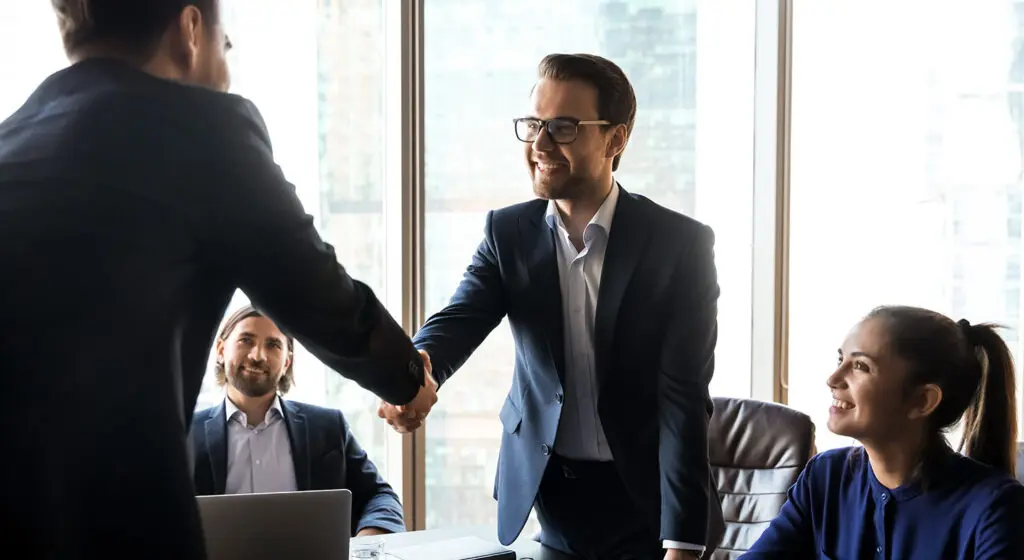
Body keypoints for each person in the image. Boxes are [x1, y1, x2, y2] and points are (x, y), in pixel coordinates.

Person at [0, 1, 435, 557]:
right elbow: (320, 295)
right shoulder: (205, 133)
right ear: (190, 31)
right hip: (113, 527)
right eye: (225, 47)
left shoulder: (13, 136)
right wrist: (406, 380)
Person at [380, 53, 724, 559]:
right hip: (553, 496)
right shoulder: (508, 233)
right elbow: (455, 323)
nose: (539, 144)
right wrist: (410, 377)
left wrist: (682, 544)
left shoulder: (678, 246)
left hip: (648, 504)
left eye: (563, 127)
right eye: (534, 125)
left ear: (615, 139)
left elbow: (683, 401)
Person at [744, 306, 1024, 559]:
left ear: (922, 400)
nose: (833, 379)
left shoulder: (996, 508)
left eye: (860, 366)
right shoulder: (826, 477)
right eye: (840, 359)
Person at [192, 306, 405, 537]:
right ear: (221, 350)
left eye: (273, 345)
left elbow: (379, 496)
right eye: (246, 340)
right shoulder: (184, 433)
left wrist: (367, 540)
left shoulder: (328, 428)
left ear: (286, 363)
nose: (257, 356)